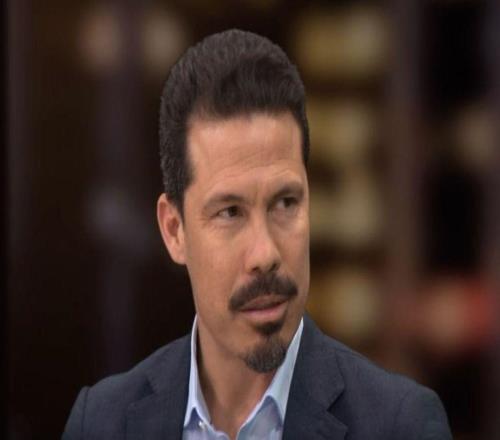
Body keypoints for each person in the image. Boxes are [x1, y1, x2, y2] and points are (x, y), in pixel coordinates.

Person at [63, 29, 452, 440]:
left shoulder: (400, 425)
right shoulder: (101, 422)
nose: (265, 254)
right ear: (174, 231)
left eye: (285, 203)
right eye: (230, 212)